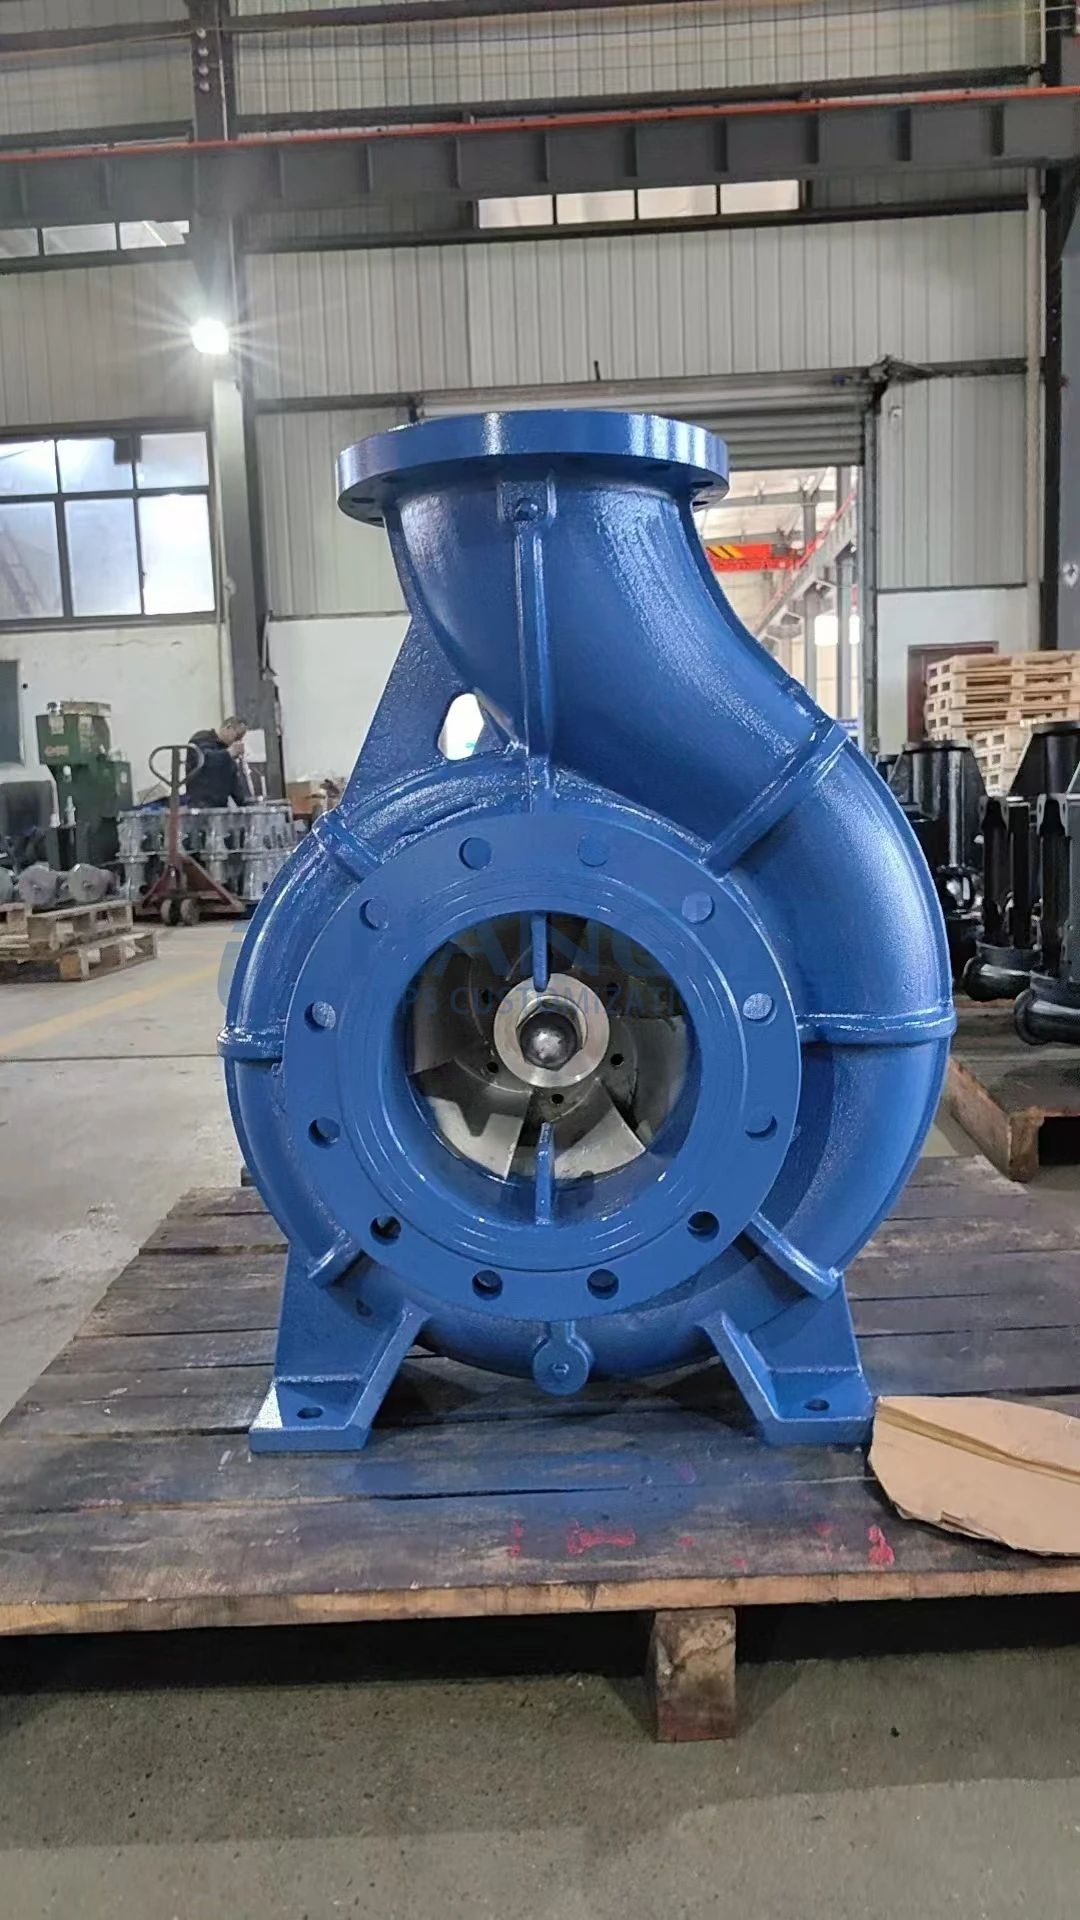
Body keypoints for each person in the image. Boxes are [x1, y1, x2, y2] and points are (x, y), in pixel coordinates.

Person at [186, 717, 251, 808]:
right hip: (200, 805)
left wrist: (247, 803)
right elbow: (204, 759)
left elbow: (235, 784)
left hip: (220, 806)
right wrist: (229, 753)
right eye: (237, 736)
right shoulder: (202, 738)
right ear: (228, 727)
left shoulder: (228, 755)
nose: (238, 741)